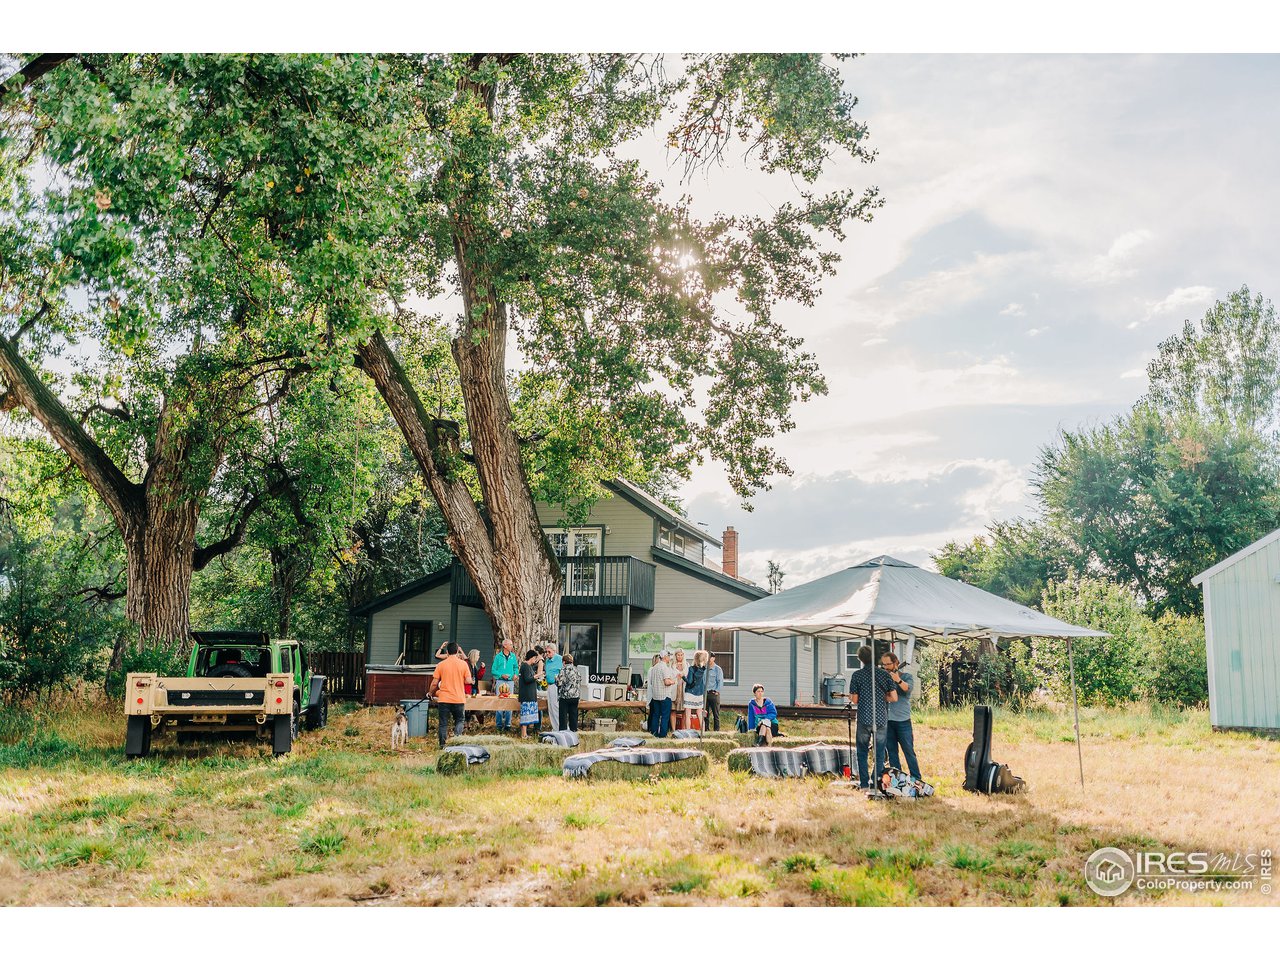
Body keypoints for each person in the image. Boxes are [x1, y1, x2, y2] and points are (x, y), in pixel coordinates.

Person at [847, 645, 898, 788]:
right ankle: (876, 781)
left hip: (864, 717)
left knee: (862, 752)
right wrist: (882, 697)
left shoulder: (857, 675)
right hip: (881, 717)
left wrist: (853, 696)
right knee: (880, 752)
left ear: (860, 659)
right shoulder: (884, 674)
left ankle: (864, 783)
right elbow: (894, 697)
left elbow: (855, 700)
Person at [881, 651, 922, 780]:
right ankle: (897, 779)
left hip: (902, 721)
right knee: (892, 753)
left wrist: (897, 680)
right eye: (884, 665)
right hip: (887, 720)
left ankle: (916, 778)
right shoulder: (883, 678)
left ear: (896, 663)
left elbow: (907, 689)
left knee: (909, 751)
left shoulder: (906, 676)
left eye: (888, 664)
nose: (886, 667)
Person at [428, 641, 472, 749]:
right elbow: (468, 681)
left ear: (447, 652)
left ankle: (442, 745)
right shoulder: (463, 664)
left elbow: (434, 683)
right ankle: (456, 742)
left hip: (444, 699)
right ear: (457, 652)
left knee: (443, 723)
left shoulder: (441, 664)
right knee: (459, 721)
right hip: (458, 698)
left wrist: (430, 693)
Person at [491, 638, 518, 733]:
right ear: (505, 646)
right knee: (500, 703)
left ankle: (508, 725)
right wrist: (501, 675)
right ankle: (498, 725)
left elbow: (516, 667)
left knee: (509, 702)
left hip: (510, 682)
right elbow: (493, 670)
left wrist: (515, 674)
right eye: (510, 644)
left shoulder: (513, 656)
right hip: (500, 682)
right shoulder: (498, 657)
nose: (512, 646)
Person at [647, 650, 676, 737]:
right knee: (665, 716)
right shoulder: (665, 668)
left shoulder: (654, 668)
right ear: (665, 657)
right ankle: (663, 735)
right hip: (665, 696)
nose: (669, 658)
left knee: (656, 716)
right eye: (668, 656)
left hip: (656, 696)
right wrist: (673, 681)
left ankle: (654, 733)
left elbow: (651, 682)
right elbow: (666, 682)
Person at [518, 648, 543, 738]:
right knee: (525, 715)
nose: (535, 660)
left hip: (530, 694)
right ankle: (523, 734)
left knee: (527, 715)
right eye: (535, 658)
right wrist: (536, 676)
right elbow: (527, 679)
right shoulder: (525, 666)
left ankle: (525, 734)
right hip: (526, 695)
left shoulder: (528, 667)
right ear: (531, 657)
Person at [682, 650, 709, 730]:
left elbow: (689, 682)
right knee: (700, 713)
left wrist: (683, 677)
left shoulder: (691, 669)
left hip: (690, 693)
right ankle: (702, 731)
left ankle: (688, 731)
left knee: (688, 714)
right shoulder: (704, 669)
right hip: (700, 693)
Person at [557, 652, 581, 732]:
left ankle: (563, 734)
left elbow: (559, 682)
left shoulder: (563, 669)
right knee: (573, 716)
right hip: (575, 696)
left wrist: (556, 679)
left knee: (563, 717)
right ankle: (573, 732)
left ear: (564, 662)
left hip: (565, 696)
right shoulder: (576, 669)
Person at [543, 642, 563, 732]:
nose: (547, 654)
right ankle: (554, 727)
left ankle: (560, 727)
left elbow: (563, 673)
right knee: (550, 707)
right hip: (549, 685)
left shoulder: (560, 659)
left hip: (556, 686)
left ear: (554, 651)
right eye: (546, 652)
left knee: (556, 707)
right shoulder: (547, 661)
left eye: (549, 652)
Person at [704, 654, 724, 731]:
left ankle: (716, 730)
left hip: (714, 693)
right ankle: (706, 729)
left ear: (714, 658)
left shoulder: (717, 669)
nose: (709, 659)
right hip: (705, 693)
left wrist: (717, 691)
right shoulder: (704, 668)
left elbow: (720, 681)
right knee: (705, 713)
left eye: (710, 657)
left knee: (716, 714)